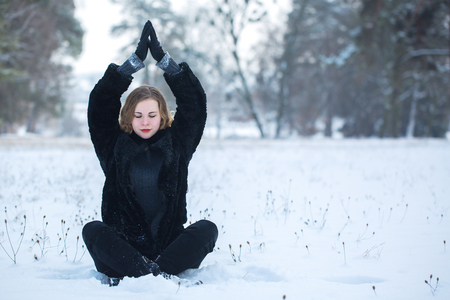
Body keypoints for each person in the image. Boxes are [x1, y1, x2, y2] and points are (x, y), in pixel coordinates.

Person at [82, 20, 218, 286]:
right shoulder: (113, 146)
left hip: (169, 249)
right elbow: (100, 105)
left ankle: (153, 274)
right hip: (124, 250)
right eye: (138, 115)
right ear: (128, 118)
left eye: (152, 115)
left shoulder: (177, 144)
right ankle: (153, 275)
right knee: (92, 230)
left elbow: (194, 106)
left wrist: (165, 62)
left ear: (162, 116)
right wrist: (132, 64)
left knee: (207, 229)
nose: (145, 121)